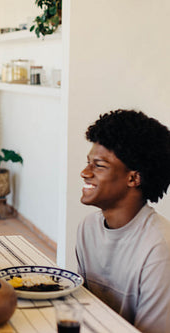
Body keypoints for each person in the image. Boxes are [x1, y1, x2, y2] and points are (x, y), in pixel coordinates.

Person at [76, 109, 170, 333]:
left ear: (133, 178)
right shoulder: (87, 228)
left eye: (99, 165)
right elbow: (84, 306)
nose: (84, 172)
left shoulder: (159, 248)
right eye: (88, 162)